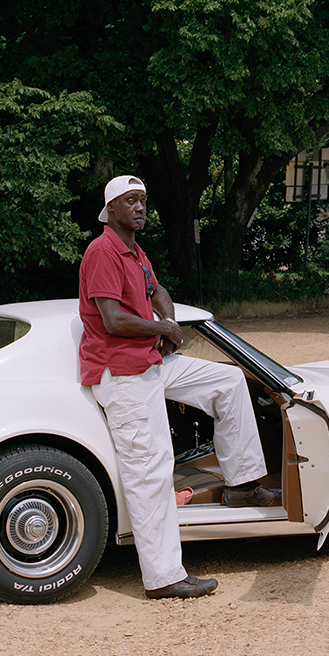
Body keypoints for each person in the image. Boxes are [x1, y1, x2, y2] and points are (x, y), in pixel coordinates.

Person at [79, 174, 282, 600]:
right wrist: (161, 327)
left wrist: (168, 323)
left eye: (144, 201)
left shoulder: (134, 251)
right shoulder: (102, 251)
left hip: (150, 364)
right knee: (151, 471)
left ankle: (242, 485)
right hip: (123, 375)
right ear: (111, 208)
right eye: (131, 201)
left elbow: (159, 291)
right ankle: (164, 576)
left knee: (227, 380)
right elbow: (114, 321)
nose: (140, 207)